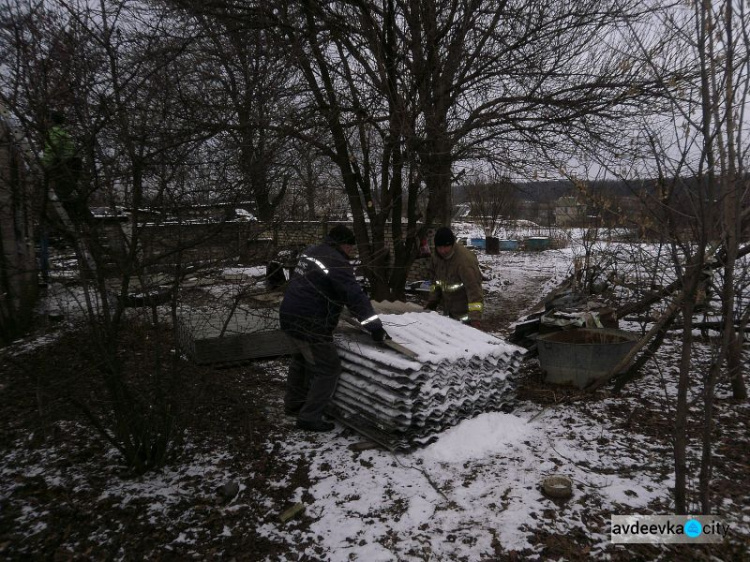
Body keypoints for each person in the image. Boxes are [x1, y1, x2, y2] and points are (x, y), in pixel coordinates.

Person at [279, 225, 390, 432]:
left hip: (289, 315)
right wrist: (374, 327)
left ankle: (293, 404)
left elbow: (318, 285)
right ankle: (309, 416)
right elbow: (354, 295)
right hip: (310, 323)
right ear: (343, 244)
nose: (351, 251)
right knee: (328, 368)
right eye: (350, 247)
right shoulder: (337, 263)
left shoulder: (311, 251)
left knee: (300, 360)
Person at [425, 226, 484, 329]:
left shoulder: (464, 262)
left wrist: (475, 318)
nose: (442, 251)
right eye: (439, 247)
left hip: (466, 315)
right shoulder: (436, 258)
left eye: (445, 247)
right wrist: (432, 302)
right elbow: (435, 282)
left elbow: (474, 291)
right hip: (449, 311)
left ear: (452, 245)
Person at [42, 111, 88, 224]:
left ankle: (75, 220)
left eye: (46, 119)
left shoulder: (54, 133)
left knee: (60, 194)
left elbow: (51, 150)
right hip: (72, 164)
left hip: (68, 165)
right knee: (65, 193)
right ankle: (78, 219)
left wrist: (44, 165)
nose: (44, 122)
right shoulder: (61, 132)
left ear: (51, 121)